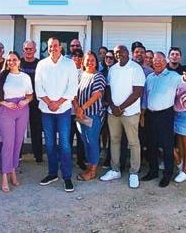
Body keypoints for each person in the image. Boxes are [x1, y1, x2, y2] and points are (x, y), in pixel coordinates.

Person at [35, 37, 79, 193]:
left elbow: (72, 87)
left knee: (65, 144)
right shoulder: (42, 64)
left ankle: (67, 177)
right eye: (50, 46)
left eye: (55, 46)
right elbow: (38, 87)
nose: (52, 48)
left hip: (63, 110)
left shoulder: (69, 64)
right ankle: (52, 173)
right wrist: (49, 103)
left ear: (60, 47)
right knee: (50, 143)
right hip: (46, 110)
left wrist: (58, 103)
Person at [100, 45, 144, 189]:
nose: (119, 54)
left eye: (121, 52)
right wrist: (113, 106)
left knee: (133, 143)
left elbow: (137, 92)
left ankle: (134, 172)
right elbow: (108, 89)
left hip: (130, 113)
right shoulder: (112, 69)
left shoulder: (135, 68)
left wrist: (120, 107)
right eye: (116, 53)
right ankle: (115, 170)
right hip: (113, 113)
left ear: (127, 53)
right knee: (114, 141)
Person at [0, 51, 33, 192]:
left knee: (18, 142)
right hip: (7, 110)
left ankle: (13, 171)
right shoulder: (2, 76)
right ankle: (4, 176)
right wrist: (4, 103)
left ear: (19, 61)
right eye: (9, 60)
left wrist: (25, 101)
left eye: (14, 59)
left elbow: (30, 95)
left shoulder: (25, 77)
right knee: (8, 144)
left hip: (22, 110)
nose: (11, 62)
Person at [141, 52, 179, 188]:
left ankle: (167, 174)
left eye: (160, 60)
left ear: (165, 62)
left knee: (167, 146)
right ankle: (153, 171)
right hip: (150, 115)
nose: (157, 62)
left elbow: (185, 82)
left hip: (166, 115)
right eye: (155, 60)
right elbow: (145, 97)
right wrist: (143, 114)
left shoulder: (173, 76)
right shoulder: (149, 77)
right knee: (151, 145)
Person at [73, 51, 106, 181]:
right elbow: (73, 93)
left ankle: (92, 171)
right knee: (85, 141)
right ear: (83, 62)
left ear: (96, 62)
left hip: (93, 115)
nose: (90, 62)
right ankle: (89, 166)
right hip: (80, 115)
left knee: (92, 142)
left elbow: (96, 95)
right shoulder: (81, 75)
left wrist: (82, 108)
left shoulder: (98, 76)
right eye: (87, 60)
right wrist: (77, 108)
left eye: (92, 60)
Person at [20, 40, 43, 163]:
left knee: (36, 129)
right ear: (23, 50)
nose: (28, 51)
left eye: (31, 49)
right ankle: (17, 155)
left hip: (36, 101)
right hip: (20, 101)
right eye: (26, 49)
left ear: (35, 50)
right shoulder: (18, 63)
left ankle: (38, 156)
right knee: (19, 130)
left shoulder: (40, 64)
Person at [70, 49, 86, 170]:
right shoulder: (67, 72)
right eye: (75, 56)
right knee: (68, 137)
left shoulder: (85, 73)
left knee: (81, 138)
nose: (77, 58)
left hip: (82, 110)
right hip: (69, 111)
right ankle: (67, 160)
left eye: (80, 56)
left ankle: (81, 161)